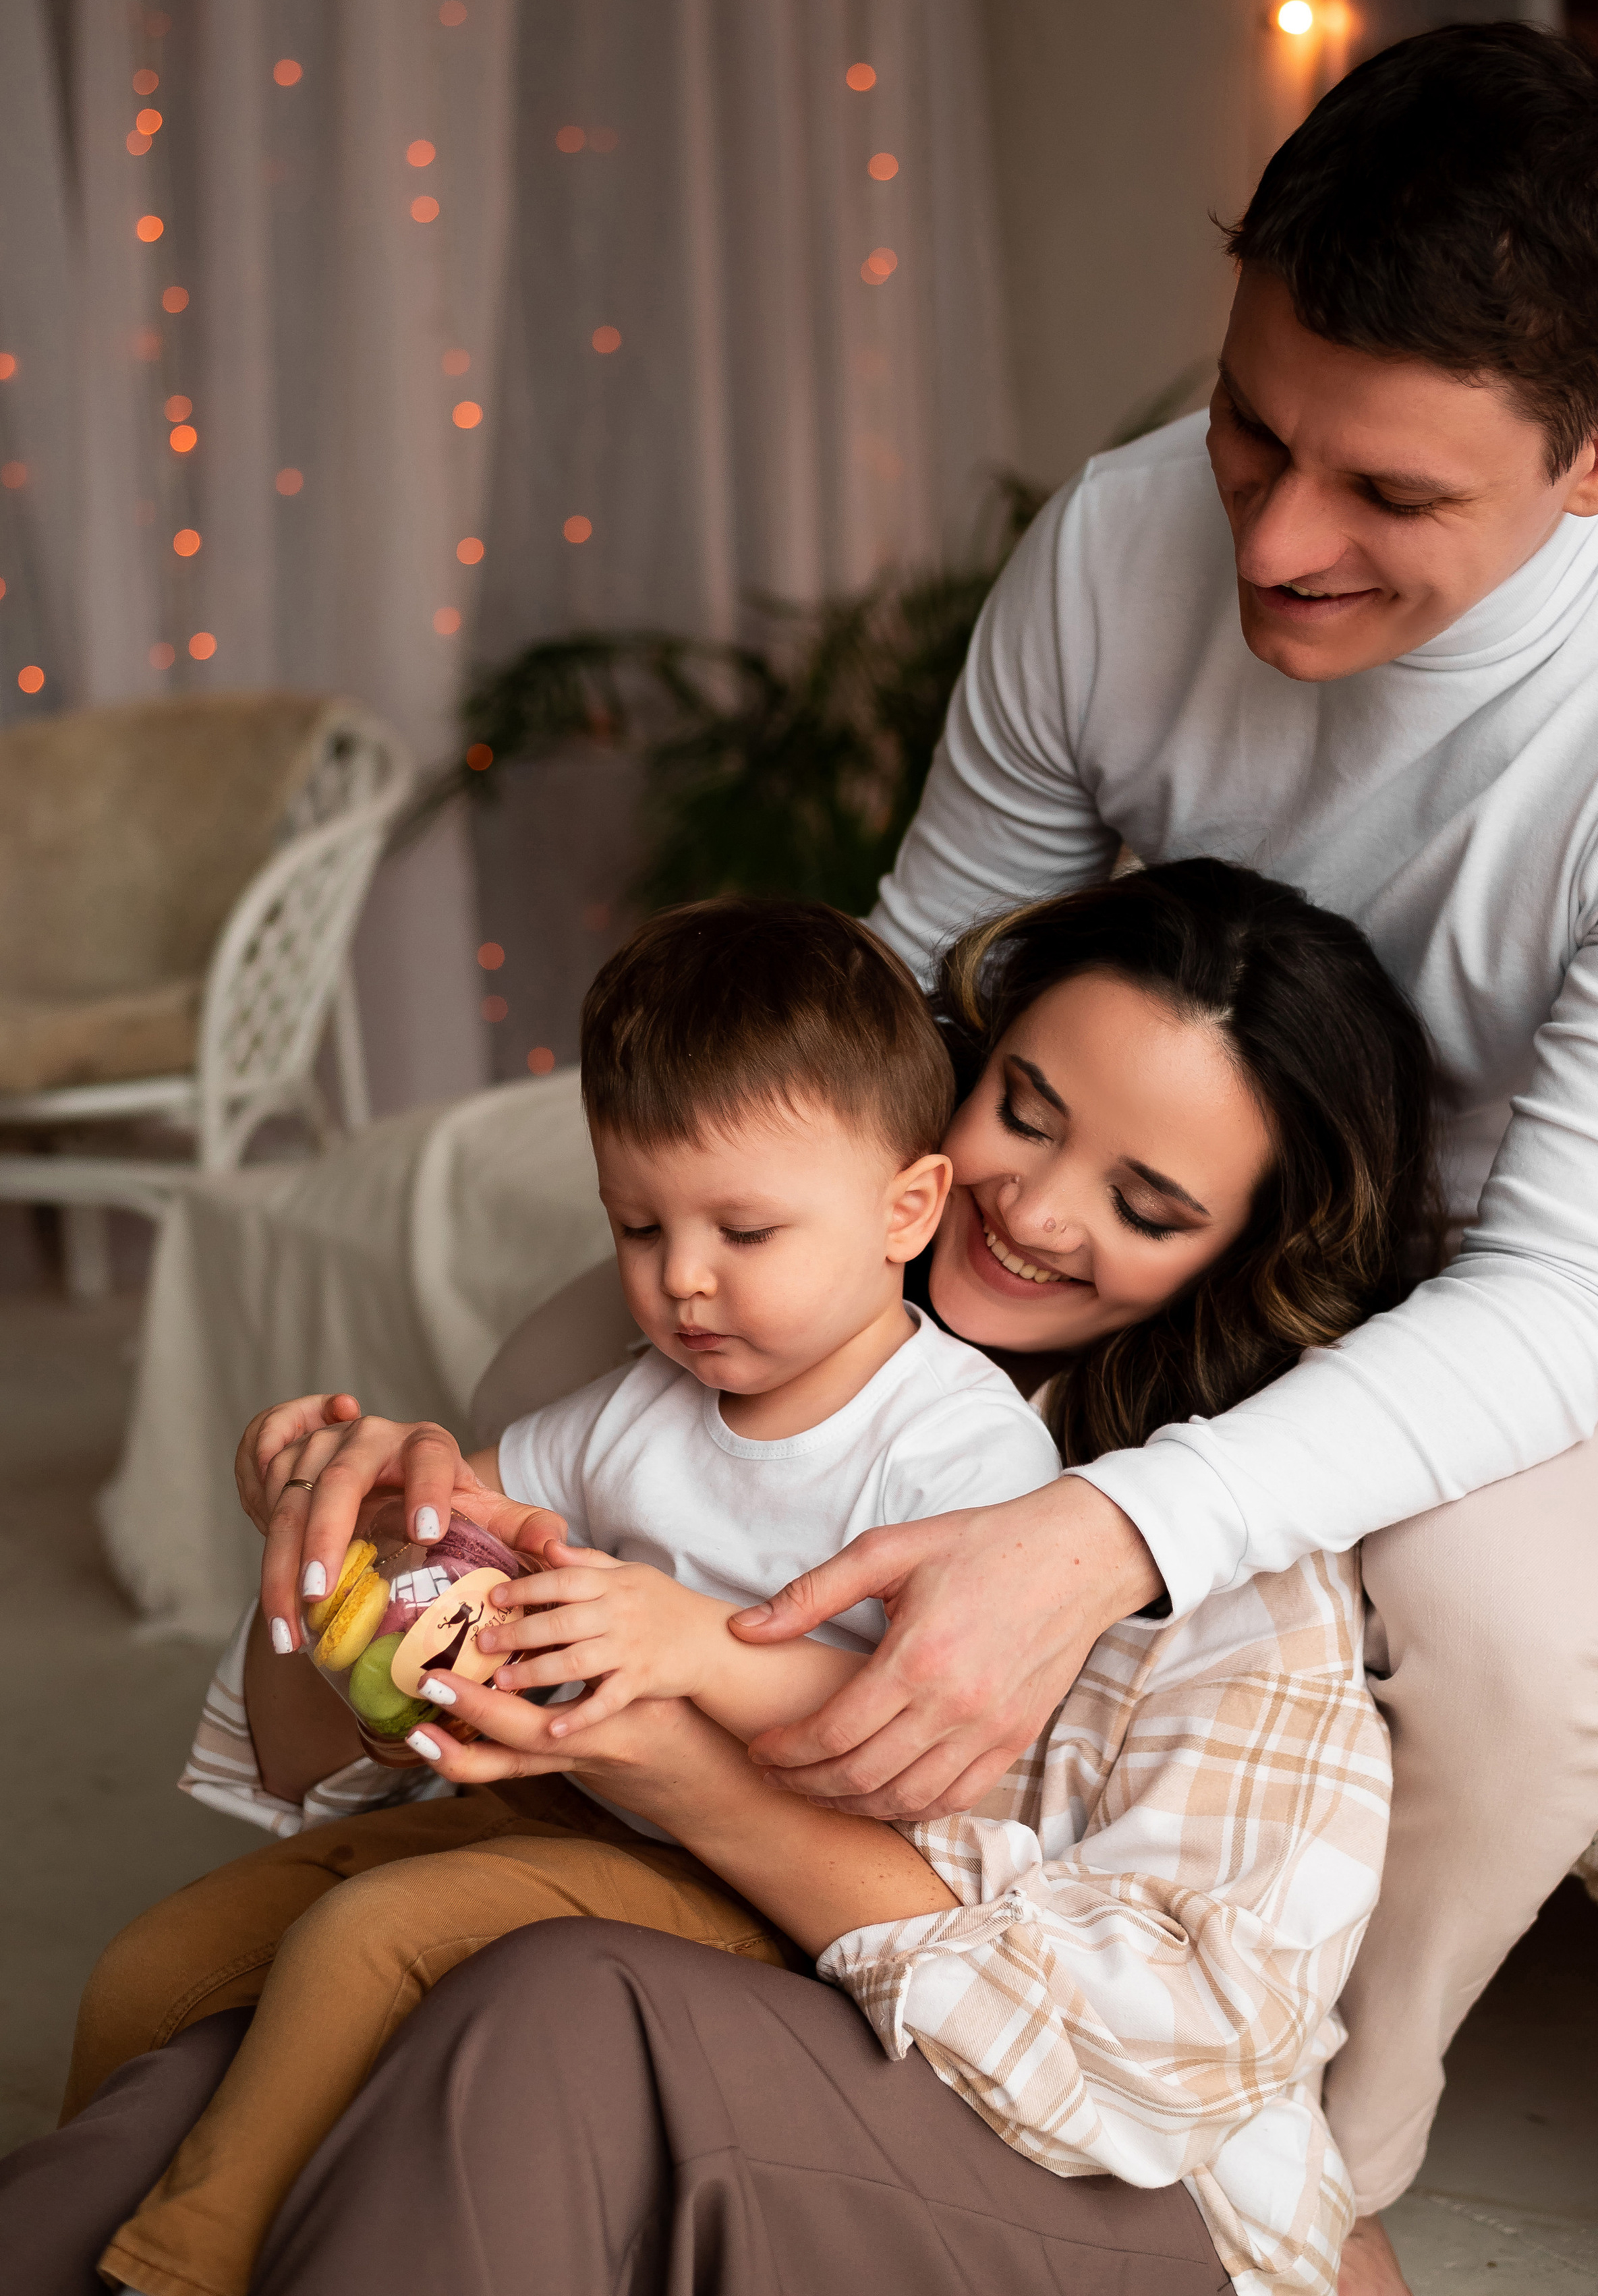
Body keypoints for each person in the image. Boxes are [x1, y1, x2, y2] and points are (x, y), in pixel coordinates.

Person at [721, 22, 1598, 2295]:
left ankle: (1311, 2151)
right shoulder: (1116, 540)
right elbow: (919, 981)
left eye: (1384, 494)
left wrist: (1097, 1532)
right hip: (1224, 1154)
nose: (1274, 537)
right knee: (660, 1311)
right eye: (1253, 428)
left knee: (1507, 1629)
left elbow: (1574, 1293)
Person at [9, 859, 1438, 2296]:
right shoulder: (684, 1364)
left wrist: (684, 1692)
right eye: (1021, 1111)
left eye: (1142, 1202)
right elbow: (403, 1655)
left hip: (907, 2045)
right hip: (571, 1852)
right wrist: (364, 1512)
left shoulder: (1181, 1526)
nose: (1033, 1214)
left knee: (434, 1979)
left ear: (1239, 1249)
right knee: (170, 2029)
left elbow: (1149, 2029)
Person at [73, 898, 1063, 2296]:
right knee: (154, 1967)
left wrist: (695, 1652)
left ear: (906, 1209)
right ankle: (95, 2203)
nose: (681, 1281)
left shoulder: (957, 1447)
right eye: (637, 1225)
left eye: (746, 1230)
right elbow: (445, 1515)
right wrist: (321, 1495)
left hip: (756, 1876)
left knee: (371, 1943)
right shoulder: (633, 1407)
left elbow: (944, 1730)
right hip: (556, 1803)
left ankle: (178, 2265)